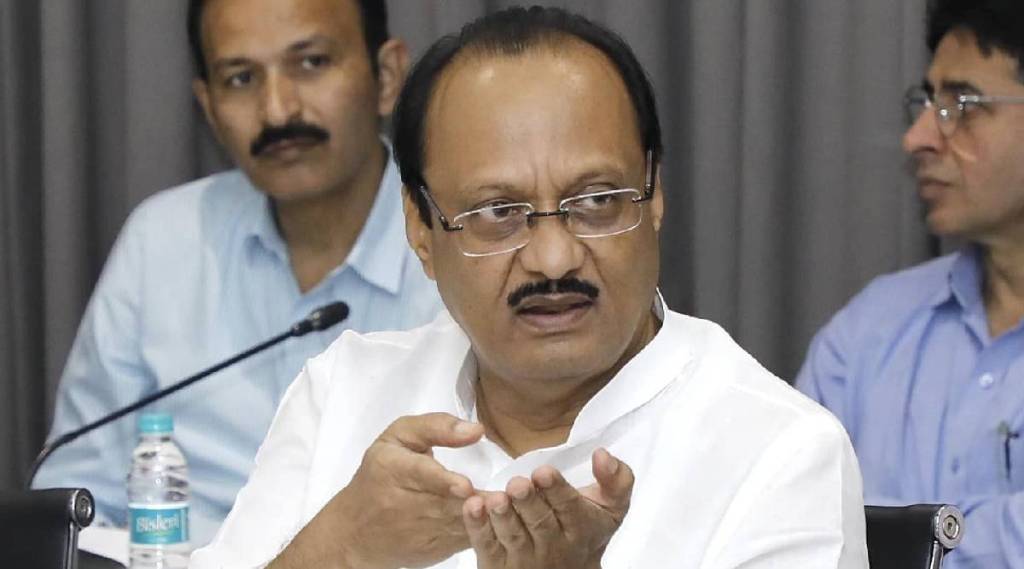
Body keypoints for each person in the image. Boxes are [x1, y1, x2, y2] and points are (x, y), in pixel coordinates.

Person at [192, 7, 868, 568]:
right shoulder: (343, 394)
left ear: (655, 194)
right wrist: (343, 547)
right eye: (497, 213)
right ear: (421, 229)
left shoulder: (778, 452)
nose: (552, 259)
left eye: (597, 201)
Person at [32, 0, 442, 546]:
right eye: (241, 78)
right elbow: (70, 501)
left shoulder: (461, 241)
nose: (277, 110)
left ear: (386, 77)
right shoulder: (163, 241)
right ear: (207, 104)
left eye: (311, 63)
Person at [796, 1, 1024, 567]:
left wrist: (887, 539)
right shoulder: (868, 333)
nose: (918, 137)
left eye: (961, 106)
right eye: (927, 103)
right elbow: (787, 527)